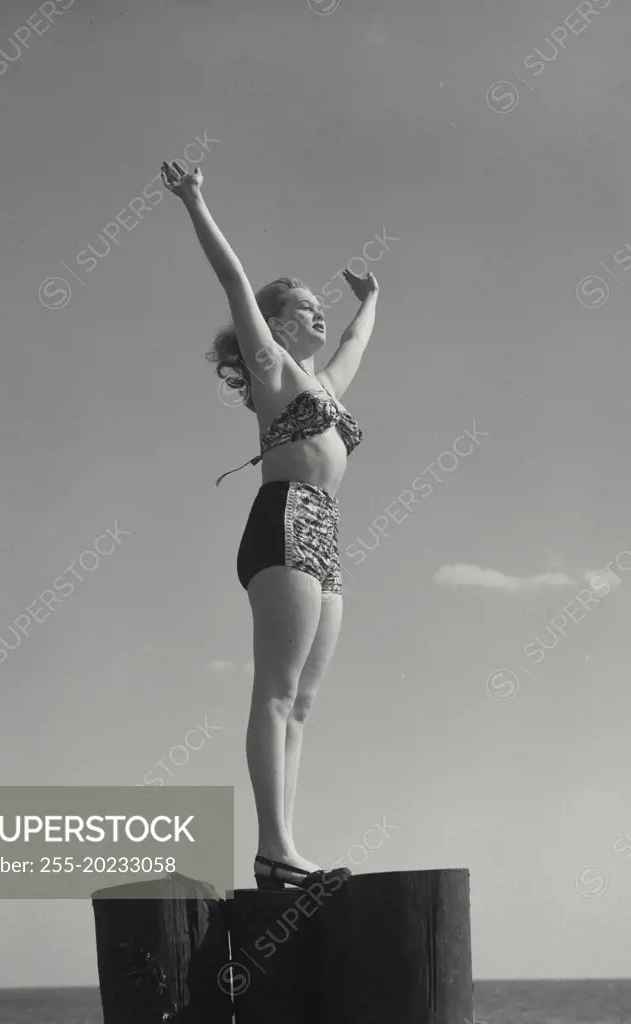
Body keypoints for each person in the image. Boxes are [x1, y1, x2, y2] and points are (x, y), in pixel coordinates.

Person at [162, 160, 378, 891]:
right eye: (308, 308)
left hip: (325, 530)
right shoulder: (274, 370)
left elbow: (353, 345)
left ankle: (285, 847)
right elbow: (232, 278)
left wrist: (370, 302)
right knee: (276, 692)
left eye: (323, 309)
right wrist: (194, 199)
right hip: (283, 519)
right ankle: (274, 847)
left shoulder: (323, 384)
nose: (321, 316)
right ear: (279, 323)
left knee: (305, 703)